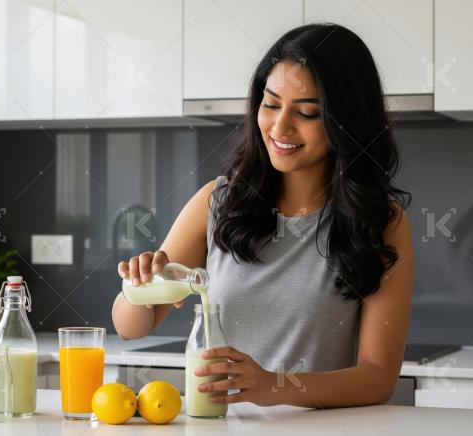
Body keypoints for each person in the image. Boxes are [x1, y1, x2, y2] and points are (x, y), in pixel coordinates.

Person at [112, 23, 414, 408]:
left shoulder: (381, 222)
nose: (280, 126)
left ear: (347, 122)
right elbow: (129, 327)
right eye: (271, 105)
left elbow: (378, 378)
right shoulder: (217, 202)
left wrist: (276, 386)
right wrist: (141, 285)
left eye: (306, 112)